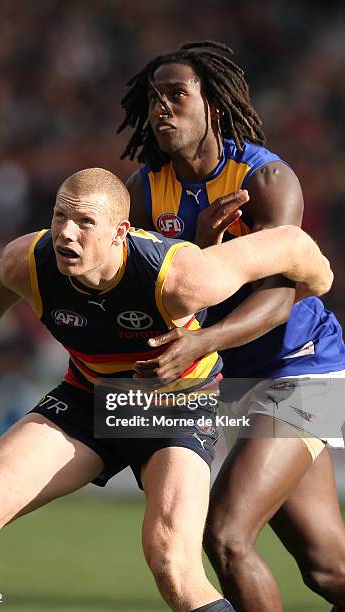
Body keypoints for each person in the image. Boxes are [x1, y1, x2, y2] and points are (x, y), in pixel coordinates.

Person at [0, 167, 332, 612]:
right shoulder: (29, 260)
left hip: (176, 409)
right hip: (89, 398)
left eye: (85, 222)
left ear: (119, 233)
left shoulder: (180, 277)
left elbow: (294, 246)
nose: (66, 234)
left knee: (176, 564)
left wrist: (318, 287)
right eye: (59, 217)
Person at [118, 41, 345, 611]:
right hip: (236, 378)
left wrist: (203, 339)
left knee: (225, 536)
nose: (162, 108)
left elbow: (279, 300)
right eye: (154, 98)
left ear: (212, 106)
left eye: (177, 95)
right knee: (327, 569)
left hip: (304, 366)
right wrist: (197, 251)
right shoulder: (146, 193)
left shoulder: (265, 180)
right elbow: (158, 298)